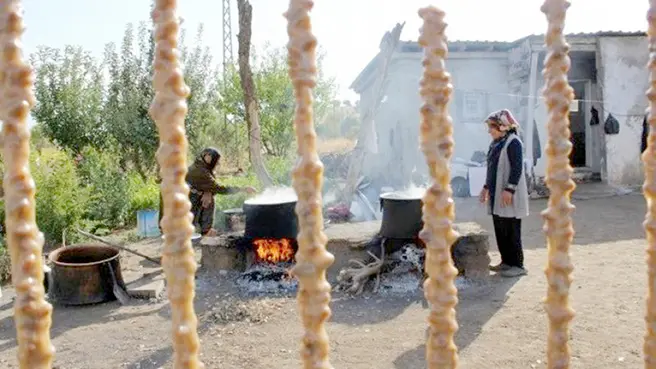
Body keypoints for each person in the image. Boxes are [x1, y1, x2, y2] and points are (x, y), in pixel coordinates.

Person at [478, 109, 529, 278]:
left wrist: (509, 189)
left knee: (511, 228)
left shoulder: (514, 143)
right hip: (496, 193)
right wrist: (486, 187)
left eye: (492, 127)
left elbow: (517, 168)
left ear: (503, 127)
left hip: (508, 193)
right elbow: (492, 168)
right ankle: (506, 261)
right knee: (500, 227)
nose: (489, 131)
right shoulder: (496, 143)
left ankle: (517, 264)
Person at [159, 147, 256, 237]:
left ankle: (203, 230)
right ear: (208, 157)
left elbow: (209, 184)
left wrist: (208, 191)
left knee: (208, 196)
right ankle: (202, 231)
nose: (216, 164)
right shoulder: (200, 171)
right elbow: (218, 188)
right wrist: (243, 189)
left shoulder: (201, 166)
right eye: (216, 161)